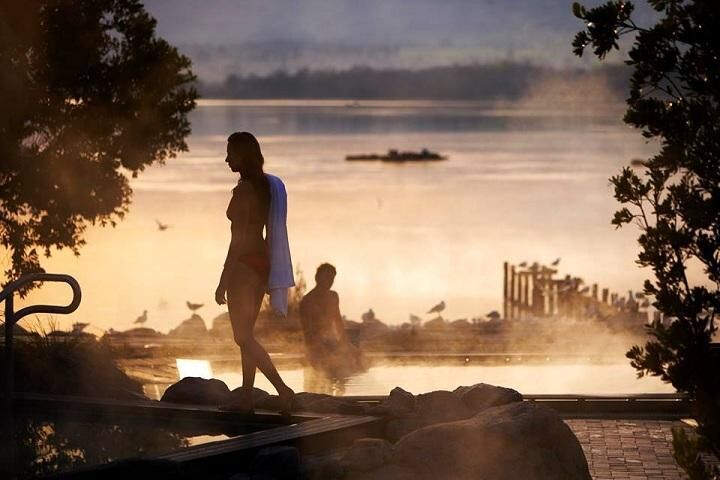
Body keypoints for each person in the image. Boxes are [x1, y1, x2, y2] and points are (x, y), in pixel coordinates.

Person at [215, 131, 294, 412]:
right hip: (260, 263)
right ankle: (247, 398)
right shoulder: (263, 186)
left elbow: (239, 238)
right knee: (246, 334)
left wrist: (223, 280)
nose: (226, 159)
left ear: (243, 155)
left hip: (245, 265)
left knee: (242, 337)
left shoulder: (246, 189)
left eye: (230, 153)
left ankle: (283, 389)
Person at [299, 263, 366, 377]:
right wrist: (322, 351)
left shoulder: (333, 296)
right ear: (317, 278)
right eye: (327, 278)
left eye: (332, 279)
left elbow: (338, 322)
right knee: (334, 365)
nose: (330, 282)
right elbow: (308, 333)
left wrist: (347, 345)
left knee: (357, 357)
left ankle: (348, 388)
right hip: (315, 346)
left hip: (331, 341)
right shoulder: (307, 301)